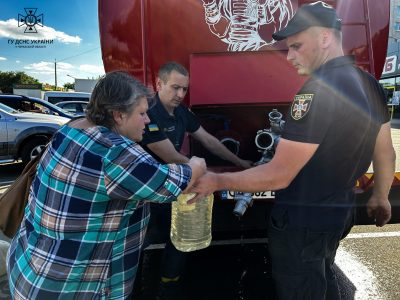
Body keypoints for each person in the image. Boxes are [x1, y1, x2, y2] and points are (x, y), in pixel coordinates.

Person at [190, 2, 395, 299]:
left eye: (296, 46)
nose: (289, 57)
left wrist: (217, 180)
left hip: (303, 221)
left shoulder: (316, 92)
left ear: (324, 38)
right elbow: (386, 153)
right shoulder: (370, 84)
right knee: (322, 279)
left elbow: (279, 174)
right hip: (339, 212)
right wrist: (380, 196)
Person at [6, 71, 206, 299]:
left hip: (29, 269)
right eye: (141, 113)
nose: (148, 120)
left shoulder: (71, 129)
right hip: (69, 289)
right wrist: (196, 165)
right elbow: (174, 184)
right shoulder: (115, 152)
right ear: (118, 115)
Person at [138, 61, 252, 299]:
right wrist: (200, 170)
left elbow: (209, 140)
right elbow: (170, 155)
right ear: (158, 84)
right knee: (138, 243)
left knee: (176, 242)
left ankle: (168, 289)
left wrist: (240, 163)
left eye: (184, 89)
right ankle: (131, 290)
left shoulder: (182, 113)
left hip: (174, 187)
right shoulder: (147, 113)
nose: (180, 95)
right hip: (144, 193)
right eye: (175, 88)